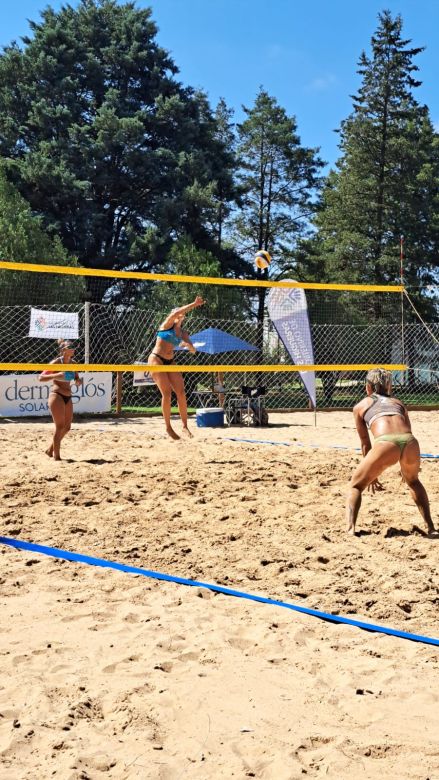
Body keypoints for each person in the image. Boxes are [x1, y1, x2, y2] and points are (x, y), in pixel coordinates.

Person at [346, 367, 435, 535]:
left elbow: (365, 442)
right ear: (388, 387)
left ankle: (350, 529)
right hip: (410, 442)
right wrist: (406, 464)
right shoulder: (399, 403)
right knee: (414, 482)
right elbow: (406, 430)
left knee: (356, 485)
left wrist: (372, 474)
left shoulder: (360, 406)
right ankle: (430, 527)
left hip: (386, 443)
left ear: (368, 387)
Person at [148, 296, 205, 439]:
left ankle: (185, 426)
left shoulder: (183, 333)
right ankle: (168, 428)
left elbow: (193, 351)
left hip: (170, 361)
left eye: (182, 315)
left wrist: (189, 346)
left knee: (181, 392)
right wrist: (194, 303)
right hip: (156, 359)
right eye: (179, 314)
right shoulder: (166, 325)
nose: (181, 316)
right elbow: (177, 311)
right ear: (174, 316)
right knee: (166, 393)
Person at [39, 339, 82, 460]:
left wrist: (79, 381)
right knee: (60, 426)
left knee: (67, 427)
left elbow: (77, 379)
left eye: (74, 347)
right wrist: (57, 375)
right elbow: (41, 378)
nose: (73, 348)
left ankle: (50, 450)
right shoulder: (56, 362)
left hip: (68, 396)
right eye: (70, 347)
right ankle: (56, 457)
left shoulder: (73, 363)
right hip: (56, 395)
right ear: (63, 350)